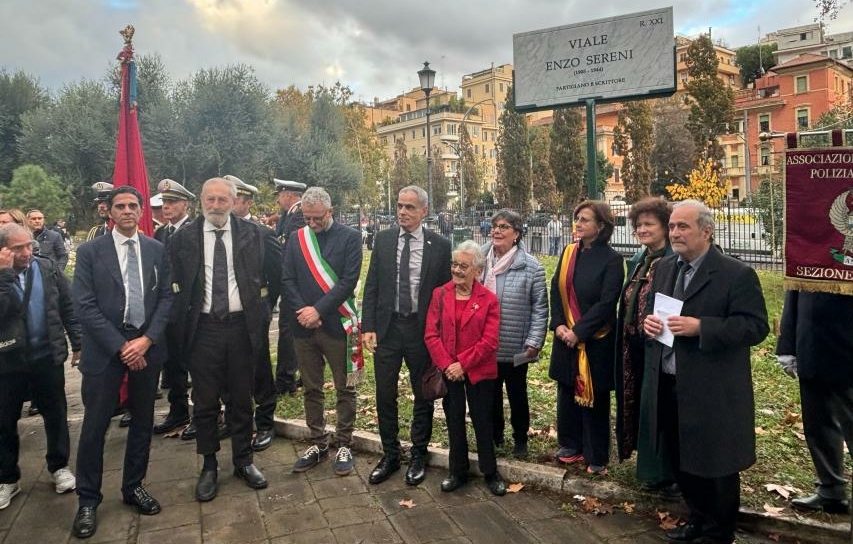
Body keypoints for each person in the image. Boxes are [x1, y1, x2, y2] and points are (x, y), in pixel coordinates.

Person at [642, 199, 769, 544]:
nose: (675, 233)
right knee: (680, 457)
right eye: (672, 227)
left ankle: (719, 531)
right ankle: (697, 519)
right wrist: (649, 324)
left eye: (683, 226)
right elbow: (655, 314)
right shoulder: (666, 267)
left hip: (712, 388)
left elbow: (755, 327)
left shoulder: (736, 274)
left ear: (707, 231)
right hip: (669, 381)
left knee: (716, 463)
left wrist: (703, 327)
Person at [169, 178, 279, 502]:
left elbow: (276, 278)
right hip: (203, 329)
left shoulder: (256, 235)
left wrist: (261, 313)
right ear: (201, 201)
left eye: (222, 199)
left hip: (242, 328)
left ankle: (244, 461)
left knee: (242, 400)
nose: (215, 205)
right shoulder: (184, 239)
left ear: (234, 201)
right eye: (210, 199)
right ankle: (209, 465)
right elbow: (173, 283)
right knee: (204, 402)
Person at [71, 186, 173, 539]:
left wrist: (145, 341)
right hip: (105, 353)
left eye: (133, 205)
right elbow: (83, 305)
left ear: (142, 210)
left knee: (143, 423)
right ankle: (87, 499)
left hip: (146, 350)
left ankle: (133, 487)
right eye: (120, 206)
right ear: (108, 211)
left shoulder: (156, 249)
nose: (127, 211)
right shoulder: (90, 252)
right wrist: (121, 346)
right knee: (94, 428)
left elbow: (165, 300)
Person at [362, 185, 451, 486]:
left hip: (420, 331)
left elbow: (444, 293)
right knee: (385, 393)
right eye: (400, 206)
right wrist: (368, 326)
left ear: (424, 211)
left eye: (410, 207)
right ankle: (390, 454)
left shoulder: (439, 245)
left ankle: (418, 454)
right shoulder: (384, 240)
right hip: (387, 330)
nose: (402, 212)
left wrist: (439, 333)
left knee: (422, 393)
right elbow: (372, 285)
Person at [281, 187, 363, 477]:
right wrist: (305, 311)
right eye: (307, 218)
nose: (311, 224)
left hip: (337, 326)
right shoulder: (296, 238)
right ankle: (318, 440)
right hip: (304, 327)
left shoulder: (351, 237)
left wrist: (319, 310)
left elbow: (348, 280)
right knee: (312, 388)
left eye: (317, 218)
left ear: (330, 212)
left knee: (345, 387)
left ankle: (344, 442)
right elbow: (287, 278)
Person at [0, 224, 81, 511]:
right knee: (5, 421)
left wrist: (78, 343)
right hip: (8, 361)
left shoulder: (46, 268)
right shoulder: (2, 275)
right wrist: (5, 275)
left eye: (29, 245)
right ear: (4, 250)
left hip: (47, 355)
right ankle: (8, 477)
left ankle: (59, 465)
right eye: (18, 248)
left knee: (55, 413)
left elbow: (67, 306)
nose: (26, 253)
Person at [424, 240, 505, 496]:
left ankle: (490, 472)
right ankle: (457, 471)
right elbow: (431, 335)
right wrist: (449, 365)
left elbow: (490, 341)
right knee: (454, 419)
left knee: (483, 420)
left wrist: (464, 364)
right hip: (449, 372)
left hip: (479, 370)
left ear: (478, 271)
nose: (457, 270)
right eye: (454, 264)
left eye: (464, 266)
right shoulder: (440, 294)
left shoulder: (489, 300)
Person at [550, 200, 624, 475]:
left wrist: (578, 332)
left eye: (585, 220)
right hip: (564, 336)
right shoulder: (568, 253)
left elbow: (607, 303)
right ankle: (570, 444)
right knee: (567, 390)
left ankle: (596, 454)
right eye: (577, 218)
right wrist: (558, 325)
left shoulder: (613, 260)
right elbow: (555, 290)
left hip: (596, 340)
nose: (578, 224)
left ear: (601, 226)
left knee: (594, 398)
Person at [614, 197, 678, 498]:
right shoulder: (642, 259)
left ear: (665, 227)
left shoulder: (672, 260)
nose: (642, 229)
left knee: (659, 408)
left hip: (661, 349)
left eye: (648, 224)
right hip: (635, 347)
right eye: (638, 225)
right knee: (638, 402)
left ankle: (664, 473)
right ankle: (647, 464)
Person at [777, 291, 853, 514]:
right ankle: (831, 489)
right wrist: (787, 345)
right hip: (811, 342)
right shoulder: (808, 254)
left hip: (848, 345)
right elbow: (794, 291)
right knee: (817, 424)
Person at [479, 209, 547, 459]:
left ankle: (520, 439)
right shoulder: (480, 261)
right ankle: (495, 436)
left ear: (516, 234)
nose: (496, 230)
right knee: (490, 394)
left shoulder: (532, 267)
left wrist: (534, 341)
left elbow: (540, 308)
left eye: (504, 226)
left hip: (516, 344)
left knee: (517, 394)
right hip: (485, 344)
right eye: (495, 226)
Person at [223, 174, 281, 451]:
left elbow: (277, 275)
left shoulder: (263, 234)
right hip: (223, 315)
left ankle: (266, 422)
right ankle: (233, 418)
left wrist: (267, 306)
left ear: (245, 202)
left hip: (254, 313)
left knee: (259, 368)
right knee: (226, 368)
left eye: (231, 199)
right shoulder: (213, 233)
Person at [151, 179, 195, 436]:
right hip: (168, 310)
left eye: (172, 202)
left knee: (197, 367)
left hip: (189, 309)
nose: (167, 207)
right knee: (174, 366)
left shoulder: (193, 231)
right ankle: (178, 412)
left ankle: (201, 414)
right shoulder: (162, 233)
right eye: (164, 202)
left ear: (185, 204)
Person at [273, 178, 307, 396]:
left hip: (297, 284)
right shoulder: (288, 216)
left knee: (289, 330)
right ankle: (299, 374)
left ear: (288, 195)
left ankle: (286, 379)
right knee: (295, 330)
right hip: (291, 283)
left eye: (279, 194)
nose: (278, 199)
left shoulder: (300, 216)